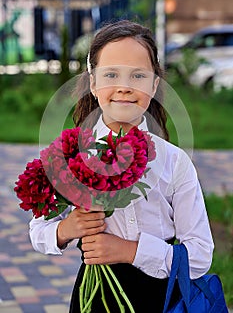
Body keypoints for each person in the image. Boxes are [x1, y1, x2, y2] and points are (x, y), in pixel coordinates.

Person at [29, 20, 214, 312]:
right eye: (111, 74)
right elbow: (38, 231)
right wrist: (66, 228)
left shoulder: (174, 162)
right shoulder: (71, 156)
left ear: (155, 85)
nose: (124, 87)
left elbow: (201, 256)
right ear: (93, 83)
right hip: (94, 297)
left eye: (138, 76)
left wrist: (130, 251)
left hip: (162, 298)